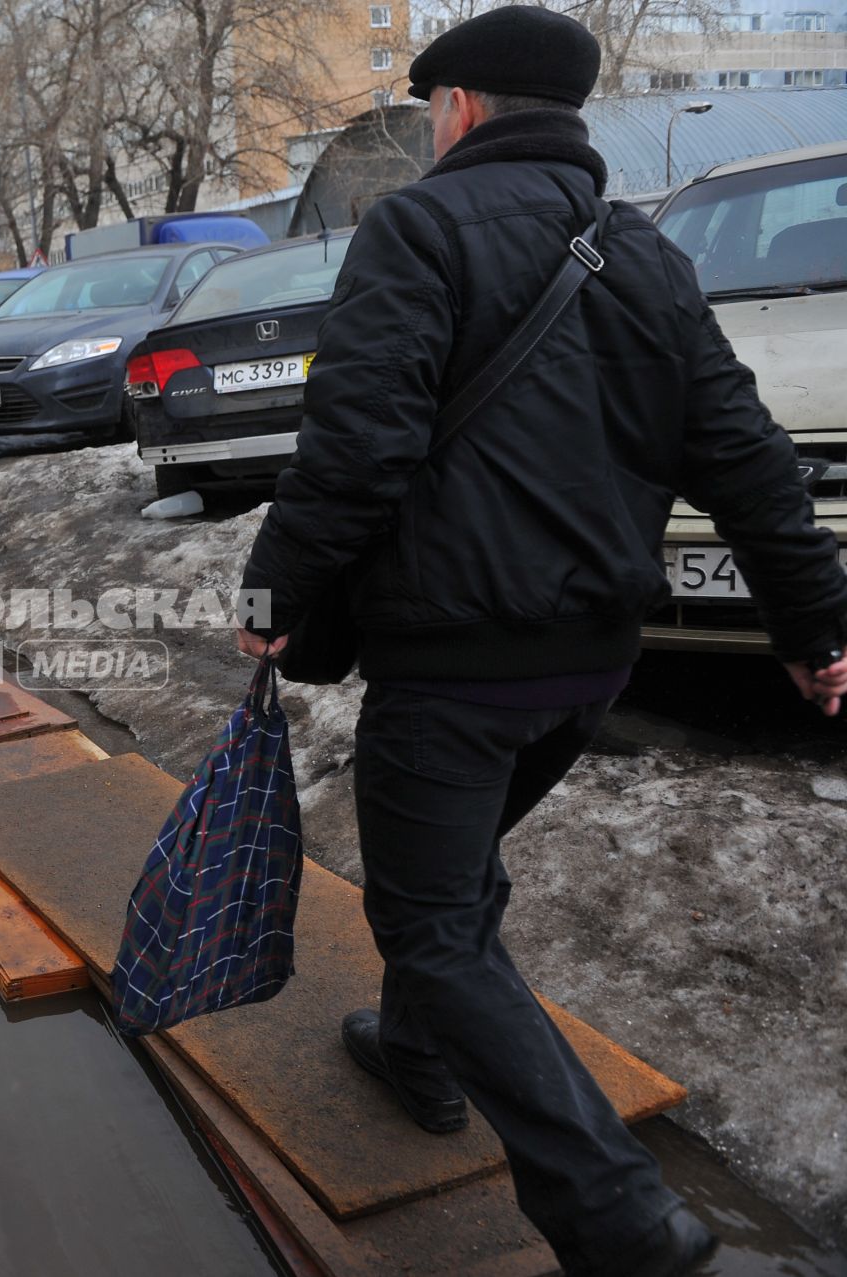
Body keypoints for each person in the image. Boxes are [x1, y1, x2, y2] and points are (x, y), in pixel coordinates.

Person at [232, 8, 847, 1276]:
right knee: (455, 878)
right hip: (592, 659)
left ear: (458, 109)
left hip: (455, 656)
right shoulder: (648, 251)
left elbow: (358, 442)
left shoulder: (417, 227)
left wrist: (277, 587)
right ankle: (415, 1053)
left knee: (432, 918)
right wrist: (814, 623)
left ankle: (616, 1213)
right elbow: (741, 453)